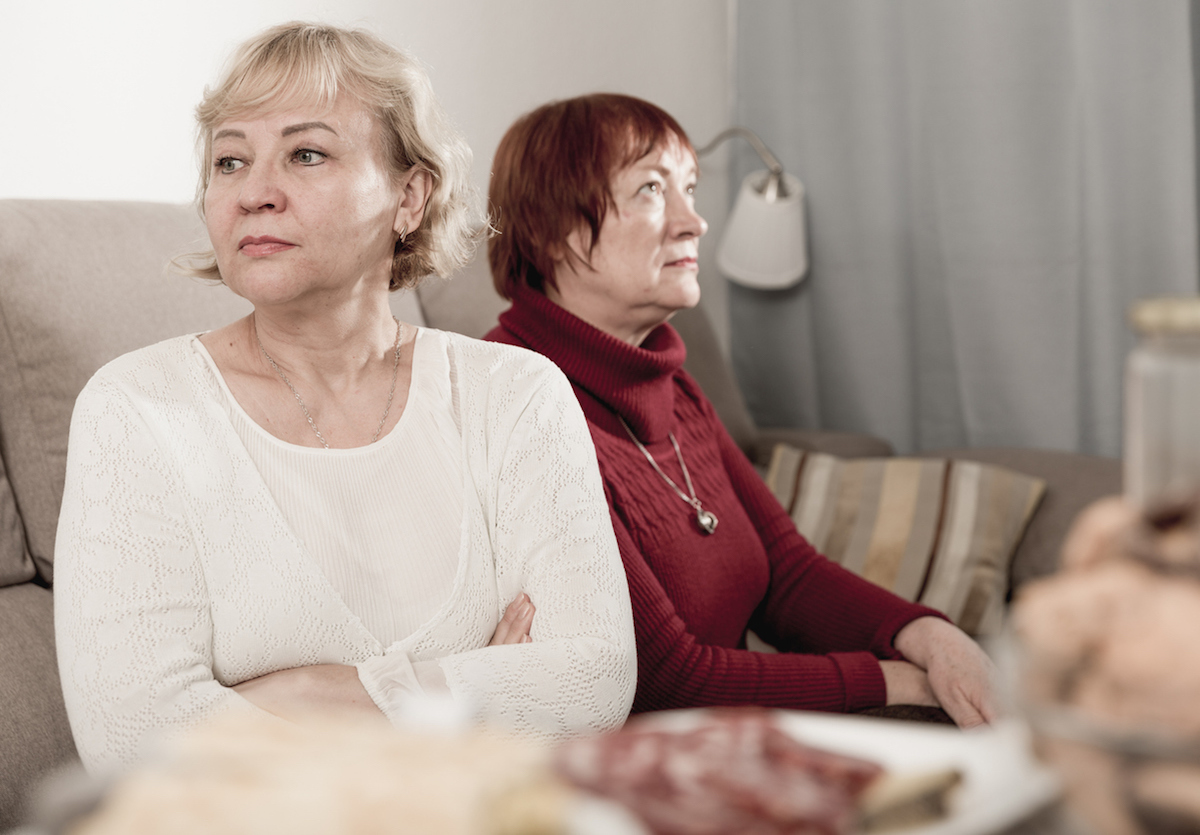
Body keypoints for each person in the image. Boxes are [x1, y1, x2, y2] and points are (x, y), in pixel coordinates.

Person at [53, 24, 635, 774]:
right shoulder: (136, 409)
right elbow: (136, 747)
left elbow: (592, 681)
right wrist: (462, 701)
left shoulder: (517, 393)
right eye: (230, 161)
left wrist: (305, 693)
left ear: (409, 196)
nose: (255, 193)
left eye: (306, 153)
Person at [484, 93, 997, 728]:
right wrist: (895, 680)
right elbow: (665, 679)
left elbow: (790, 576)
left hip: (734, 736)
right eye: (650, 189)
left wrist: (934, 639)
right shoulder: (513, 402)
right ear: (551, 228)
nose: (694, 222)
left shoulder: (674, 385)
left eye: (690, 188)